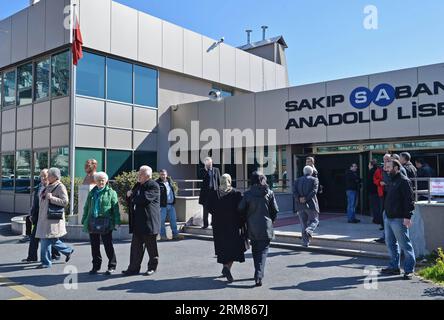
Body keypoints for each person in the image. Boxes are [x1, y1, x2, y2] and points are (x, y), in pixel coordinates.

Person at [238, 172, 279, 287]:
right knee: (263, 251)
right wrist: (272, 220)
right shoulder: (269, 193)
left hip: (252, 227)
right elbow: (275, 210)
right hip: (266, 226)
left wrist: (246, 217)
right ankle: (259, 275)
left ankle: (258, 273)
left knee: (256, 251)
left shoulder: (248, 194)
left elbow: (240, 208)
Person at [123, 166, 161, 276]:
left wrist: (132, 197)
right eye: (139, 173)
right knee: (135, 248)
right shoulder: (138, 185)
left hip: (149, 223)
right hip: (138, 223)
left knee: (151, 248)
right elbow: (130, 198)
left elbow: (143, 199)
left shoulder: (153, 185)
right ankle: (133, 269)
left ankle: (152, 268)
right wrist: (129, 196)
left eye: (140, 174)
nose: (138, 176)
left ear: (147, 176)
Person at [381, 160, 416, 280]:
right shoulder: (392, 180)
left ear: (396, 167)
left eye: (389, 167)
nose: (386, 169)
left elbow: (409, 201)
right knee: (391, 244)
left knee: (405, 245)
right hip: (388, 217)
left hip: (399, 218)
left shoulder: (404, 181)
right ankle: (394, 267)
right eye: (386, 167)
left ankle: (409, 270)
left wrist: (408, 217)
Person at [208, 174, 245, 283]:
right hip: (232, 225)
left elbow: (209, 207)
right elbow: (241, 209)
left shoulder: (214, 193)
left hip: (218, 226)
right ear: (229, 180)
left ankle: (225, 267)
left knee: (223, 248)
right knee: (233, 248)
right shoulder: (236, 193)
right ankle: (227, 268)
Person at [82, 172, 120, 275]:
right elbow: (86, 207)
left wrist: (117, 221)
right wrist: (84, 219)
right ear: (96, 181)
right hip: (93, 221)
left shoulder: (111, 193)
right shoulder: (92, 193)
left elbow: (115, 209)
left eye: (103, 180)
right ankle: (96, 266)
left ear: (106, 181)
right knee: (94, 246)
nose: (101, 182)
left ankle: (112, 266)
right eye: (99, 180)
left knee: (108, 244)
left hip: (106, 222)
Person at [35, 168, 74, 269]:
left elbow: (65, 202)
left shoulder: (60, 186)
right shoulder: (48, 185)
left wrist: (52, 198)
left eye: (50, 175)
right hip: (44, 218)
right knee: (50, 240)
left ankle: (46, 262)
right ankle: (68, 251)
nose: (47, 177)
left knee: (45, 239)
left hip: (52, 219)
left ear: (55, 176)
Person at [21, 169, 60, 263]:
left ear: (49, 177)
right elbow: (35, 203)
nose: (43, 178)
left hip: (48, 216)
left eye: (45, 176)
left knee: (51, 237)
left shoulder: (52, 187)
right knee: (34, 237)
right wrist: (31, 213)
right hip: (38, 215)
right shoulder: (39, 187)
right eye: (41, 176)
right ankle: (32, 257)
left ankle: (57, 254)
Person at [293, 166, 319, 247]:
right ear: (311, 172)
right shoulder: (314, 179)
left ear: (304, 172)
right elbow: (314, 191)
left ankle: (305, 242)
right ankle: (309, 230)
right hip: (310, 204)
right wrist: (306, 199)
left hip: (300, 205)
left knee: (303, 224)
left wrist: (299, 198)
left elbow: (294, 191)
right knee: (314, 220)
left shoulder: (297, 180)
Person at [156, 169, 182, 241]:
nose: (163, 176)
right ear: (159, 175)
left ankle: (175, 235)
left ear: (166, 174)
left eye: (164, 174)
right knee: (161, 221)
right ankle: (163, 236)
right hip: (162, 206)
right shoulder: (157, 183)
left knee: (173, 220)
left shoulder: (170, 181)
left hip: (171, 205)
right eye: (161, 174)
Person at [198, 157, 221, 229]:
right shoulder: (203, 171)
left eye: (210, 163)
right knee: (206, 209)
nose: (209, 165)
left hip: (214, 192)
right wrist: (206, 170)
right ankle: (205, 224)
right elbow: (201, 177)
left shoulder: (216, 170)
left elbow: (219, 181)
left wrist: (219, 191)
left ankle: (213, 223)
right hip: (206, 194)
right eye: (207, 163)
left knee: (214, 209)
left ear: (212, 163)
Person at [368, 160, 382, 226]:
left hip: (373, 191)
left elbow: (371, 182)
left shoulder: (371, 172)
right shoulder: (378, 170)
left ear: (371, 165)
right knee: (378, 206)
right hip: (378, 190)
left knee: (375, 206)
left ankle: (377, 219)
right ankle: (378, 219)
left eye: (369, 164)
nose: (368, 166)